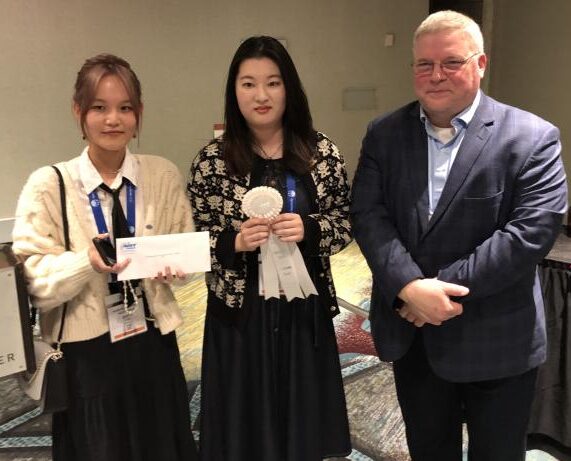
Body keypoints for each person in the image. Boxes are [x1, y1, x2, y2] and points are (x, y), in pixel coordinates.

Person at [351, 10, 567, 461]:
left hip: (497, 335)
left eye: (451, 62)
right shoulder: (384, 133)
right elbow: (369, 215)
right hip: (414, 336)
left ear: (480, 64)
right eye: (423, 65)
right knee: (429, 451)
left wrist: (436, 293)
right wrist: (410, 288)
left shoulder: (533, 136)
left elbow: (529, 234)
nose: (435, 75)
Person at [12, 54, 198, 461]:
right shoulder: (49, 184)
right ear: (79, 112)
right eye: (99, 107)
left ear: (139, 113)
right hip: (86, 353)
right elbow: (33, 283)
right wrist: (85, 262)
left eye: (125, 108)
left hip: (152, 340)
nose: (113, 119)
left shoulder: (161, 174)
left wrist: (175, 268)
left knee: (160, 443)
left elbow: (183, 244)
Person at [187, 36, 352, 461]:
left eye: (273, 83)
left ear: (289, 89)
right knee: (243, 426)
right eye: (248, 84)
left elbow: (347, 222)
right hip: (239, 312)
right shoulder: (212, 161)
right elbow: (193, 239)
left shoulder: (322, 153)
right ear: (234, 91)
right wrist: (233, 241)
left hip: (304, 305)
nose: (261, 95)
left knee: (302, 424)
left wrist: (312, 229)